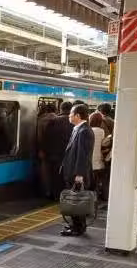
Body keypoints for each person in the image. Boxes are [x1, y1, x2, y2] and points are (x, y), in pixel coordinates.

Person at [60, 104, 95, 236]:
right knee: (74, 198)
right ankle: (75, 225)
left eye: (71, 114)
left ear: (78, 116)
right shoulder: (78, 129)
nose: (69, 116)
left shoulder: (84, 131)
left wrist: (80, 175)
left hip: (77, 173)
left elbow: (83, 155)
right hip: (72, 171)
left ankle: (78, 228)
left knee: (77, 200)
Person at [43, 101, 74, 200]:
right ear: (71, 110)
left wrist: (46, 151)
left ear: (61, 109)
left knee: (55, 175)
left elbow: (46, 137)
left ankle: (56, 195)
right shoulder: (74, 123)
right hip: (69, 155)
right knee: (67, 176)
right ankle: (66, 195)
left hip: (54, 154)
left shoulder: (53, 121)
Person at [36, 104, 56, 199]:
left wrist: (41, 149)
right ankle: (54, 191)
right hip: (55, 150)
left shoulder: (40, 120)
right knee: (55, 171)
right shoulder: (58, 119)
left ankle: (47, 191)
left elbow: (39, 136)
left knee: (45, 171)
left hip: (44, 150)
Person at [89, 112, 105, 199]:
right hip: (98, 158)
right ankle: (96, 195)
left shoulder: (88, 130)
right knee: (97, 179)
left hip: (89, 159)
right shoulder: (101, 131)